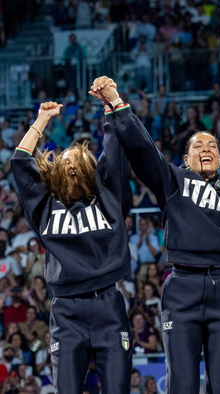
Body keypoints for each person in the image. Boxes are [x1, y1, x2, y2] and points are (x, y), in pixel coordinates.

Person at [93, 51, 220, 392]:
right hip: (182, 286)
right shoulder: (173, 180)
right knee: (181, 384)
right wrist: (117, 103)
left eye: (213, 145)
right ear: (185, 160)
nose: (207, 149)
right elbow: (143, 150)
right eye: (198, 145)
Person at [11, 97, 133, 394]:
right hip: (66, 312)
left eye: (77, 162)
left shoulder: (107, 198)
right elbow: (20, 161)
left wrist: (110, 107)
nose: (71, 166)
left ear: (90, 169)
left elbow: (115, 149)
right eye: (65, 163)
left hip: (108, 306)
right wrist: (42, 120)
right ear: (55, 174)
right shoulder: (45, 206)